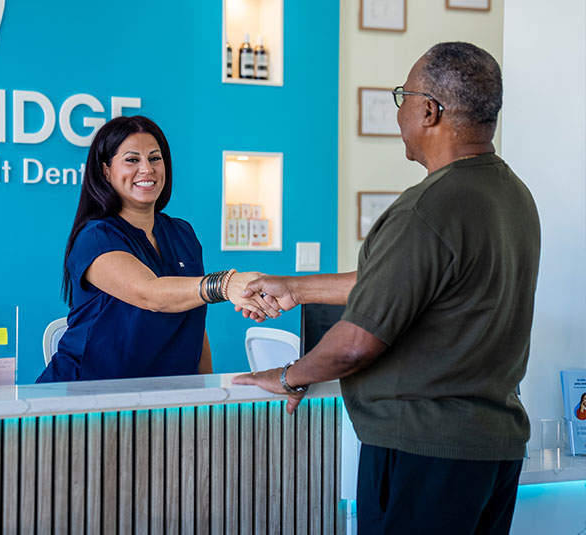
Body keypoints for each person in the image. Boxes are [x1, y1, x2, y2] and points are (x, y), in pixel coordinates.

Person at [234, 42, 541, 535]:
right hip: (493, 451)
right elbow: (403, 281)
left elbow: (355, 344)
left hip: (424, 453)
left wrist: (289, 376)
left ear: (429, 110)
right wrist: (295, 288)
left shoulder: (428, 207)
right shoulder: (511, 195)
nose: (399, 112)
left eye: (403, 97)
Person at [36, 116, 278, 383]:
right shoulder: (96, 237)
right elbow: (150, 294)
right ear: (105, 171)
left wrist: (207, 392)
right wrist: (225, 284)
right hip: (85, 394)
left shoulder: (182, 233)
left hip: (165, 395)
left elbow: (194, 324)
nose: (146, 169)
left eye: (154, 158)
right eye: (132, 160)